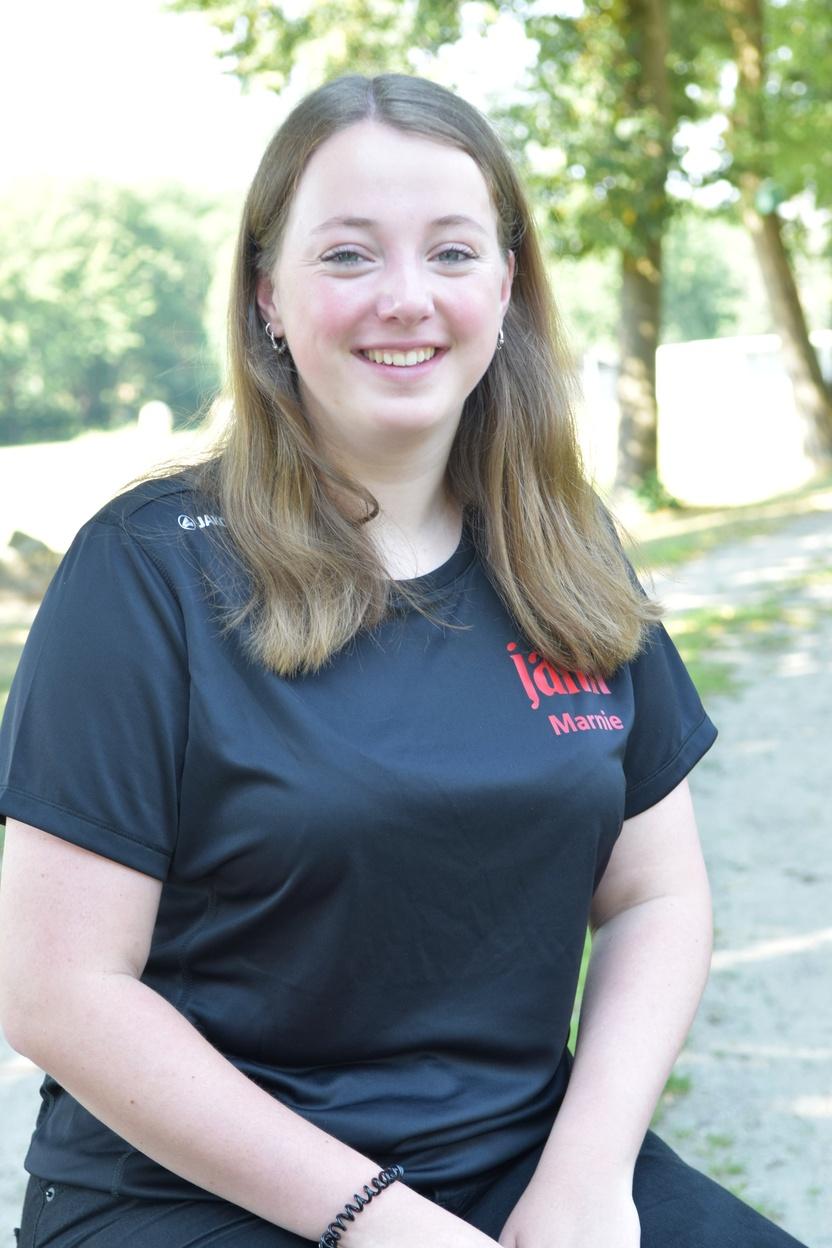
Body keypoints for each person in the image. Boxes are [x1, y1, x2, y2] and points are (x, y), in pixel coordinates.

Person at [0, 73, 808, 1248]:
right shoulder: (143, 575)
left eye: (450, 251)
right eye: (347, 255)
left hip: (521, 1167)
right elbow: (60, 990)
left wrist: (587, 1179)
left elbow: (656, 893)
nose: (405, 298)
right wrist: (384, 1225)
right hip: (193, 1195)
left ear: (505, 287)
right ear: (268, 294)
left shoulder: (565, 549)